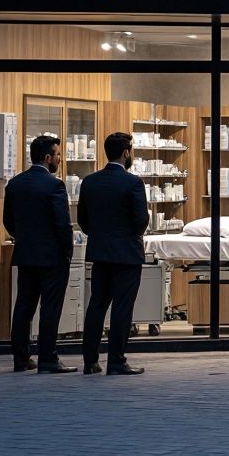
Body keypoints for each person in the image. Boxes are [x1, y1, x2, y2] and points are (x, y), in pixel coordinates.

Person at [4, 135, 76, 374]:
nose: (59, 159)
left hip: (25, 254)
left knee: (24, 306)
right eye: (57, 155)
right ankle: (47, 358)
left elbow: (8, 221)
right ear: (47, 158)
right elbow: (63, 224)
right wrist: (67, 251)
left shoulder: (15, 184)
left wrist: (24, 238)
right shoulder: (55, 186)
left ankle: (21, 358)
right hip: (52, 257)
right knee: (50, 308)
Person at [78, 132, 148, 376]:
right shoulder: (133, 183)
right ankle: (116, 361)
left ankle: (90, 361)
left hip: (100, 253)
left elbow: (83, 220)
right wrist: (131, 236)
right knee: (122, 308)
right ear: (126, 153)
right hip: (127, 255)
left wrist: (100, 235)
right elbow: (141, 220)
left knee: (97, 304)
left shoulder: (90, 182)